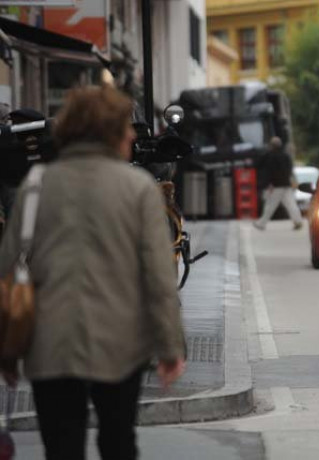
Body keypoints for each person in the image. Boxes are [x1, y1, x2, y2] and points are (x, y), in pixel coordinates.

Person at [0, 85, 186, 460]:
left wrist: (6, 351)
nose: (133, 134)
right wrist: (170, 347)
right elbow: (158, 278)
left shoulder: (36, 187)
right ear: (111, 132)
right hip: (121, 343)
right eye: (126, 127)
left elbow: (7, 269)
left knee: (62, 448)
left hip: (50, 344)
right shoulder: (138, 188)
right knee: (118, 442)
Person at [253, 136, 304, 231]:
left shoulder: (270, 156)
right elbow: (289, 170)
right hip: (286, 184)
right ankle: (298, 221)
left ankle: (261, 223)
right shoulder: (286, 156)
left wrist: (269, 183)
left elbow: (268, 170)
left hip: (276, 185)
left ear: (271, 146)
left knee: (270, 205)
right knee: (291, 204)